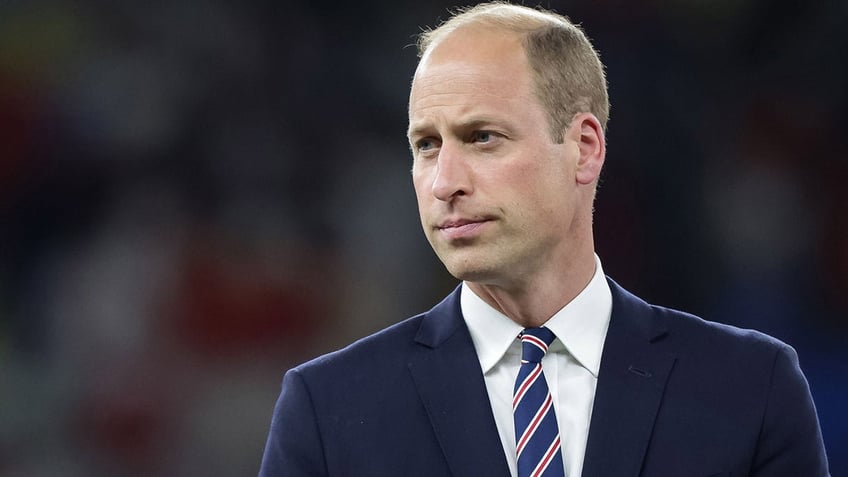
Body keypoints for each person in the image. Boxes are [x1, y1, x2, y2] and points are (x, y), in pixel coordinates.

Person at [260, 3, 830, 476]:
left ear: (583, 147)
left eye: (482, 137)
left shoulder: (750, 390)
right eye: (426, 145)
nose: (445, 183)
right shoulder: (329, 409)